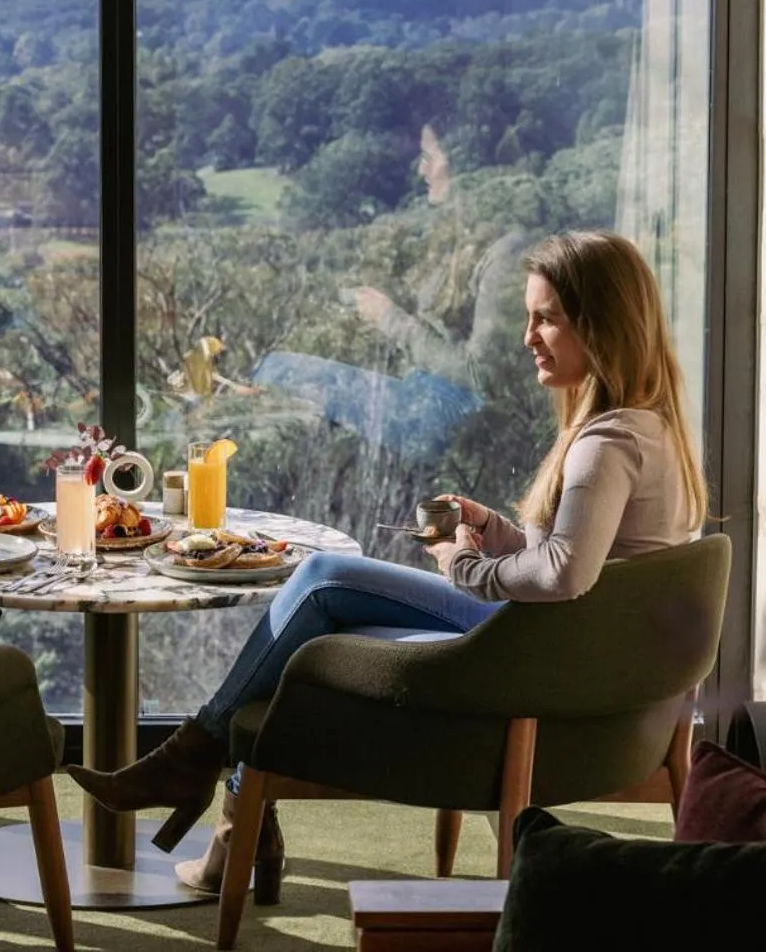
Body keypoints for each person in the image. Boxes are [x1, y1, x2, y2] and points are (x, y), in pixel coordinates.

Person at [67, 229, 709, 896]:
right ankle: (225, 805)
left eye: (546, 316)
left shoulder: (605, 443)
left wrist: (465, 566)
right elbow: (583, 565)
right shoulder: (649, 427)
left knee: (321, 584)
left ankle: (199, 764)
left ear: (602, 322)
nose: (528, 336)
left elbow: (564, 575)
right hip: (563, 661)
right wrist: (493, 531)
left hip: (533, 667)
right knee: (312, 628)